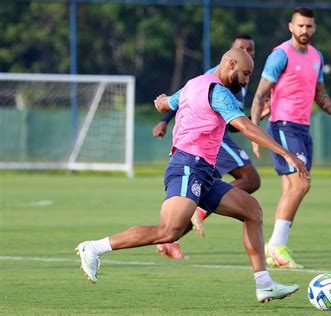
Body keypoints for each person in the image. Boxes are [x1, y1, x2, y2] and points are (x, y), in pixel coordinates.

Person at [76, 48, 308, 303]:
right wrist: (287, 154)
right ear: (230, 64)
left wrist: (161, 102)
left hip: (204, 172)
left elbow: (166, 103)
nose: (246, 81)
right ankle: (94, 248)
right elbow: (246, 128)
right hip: (187, 166)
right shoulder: (219, 93)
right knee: (169, 231)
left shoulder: (193, 84)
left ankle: (264, 284)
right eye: (245, 73)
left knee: (252, 211)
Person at [250, 7, 331, 269]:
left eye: (309, 26)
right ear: (291, 26)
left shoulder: (315, 57)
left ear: (314, 28)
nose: (304, 30)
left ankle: (274, 251)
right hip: (283, 126)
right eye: (300, 26)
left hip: (303, 129)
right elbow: (259, 95)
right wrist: (254, 132)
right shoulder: (280, 55)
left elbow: (320, 97)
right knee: (302, 184)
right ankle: (276, 246)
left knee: (292, 188)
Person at [152, 35, 266, 259]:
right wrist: (164, 121)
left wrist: (254, 117)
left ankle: (177, 232)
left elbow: (233, 120)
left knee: (249, 185)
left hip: (218, 135)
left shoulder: (242, 79)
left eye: (250, 49)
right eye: (242, 48)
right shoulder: (214, 77)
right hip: (209, 138)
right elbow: (185, 97)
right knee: (250, 179)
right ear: (231, 55)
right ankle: (199, 211)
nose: (247, 52)